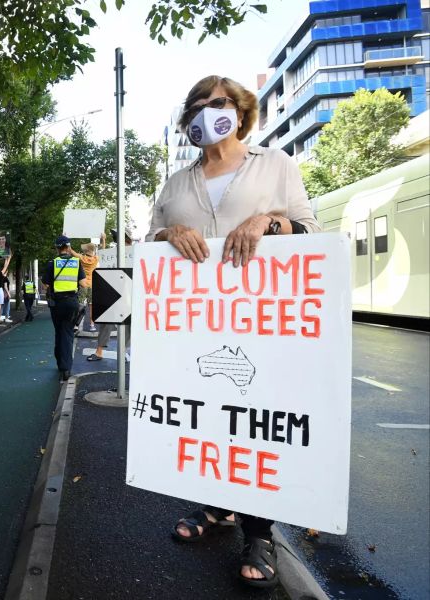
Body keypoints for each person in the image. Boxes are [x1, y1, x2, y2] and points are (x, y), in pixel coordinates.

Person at [151, 75, 319, 588]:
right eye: (197, 104)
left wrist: (267, 222)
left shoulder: (275, 165)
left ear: (241, 111)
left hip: (261, 318)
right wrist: (169, 232)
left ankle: (259, 530)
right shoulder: (177, 181)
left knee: (253, 417)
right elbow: (149, 238)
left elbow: (311, 229)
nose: (206, 111)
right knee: (210, 416)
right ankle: (218, 505)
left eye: (218, 102)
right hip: (198, 321)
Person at [41, 235, 85, 382]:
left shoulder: (52, 263)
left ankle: (60, 363)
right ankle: (66, 368)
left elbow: (45, 285)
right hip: (72, 302)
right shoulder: (77, 262)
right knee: (67, 333)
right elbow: (84, 283)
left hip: (57, 304)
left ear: (57, 248)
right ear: (69, 247)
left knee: (59, 331)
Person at [68, 234, 104, 332]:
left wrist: (67, 239)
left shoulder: (82, 258)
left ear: (87, 250)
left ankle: (75, 324)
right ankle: (92, 325)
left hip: (83, 284)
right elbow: (103, 250)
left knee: (80, 304)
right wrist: (103, 239)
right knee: (92, 306)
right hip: (93, 285)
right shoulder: (95, 259)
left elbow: (71, 251)